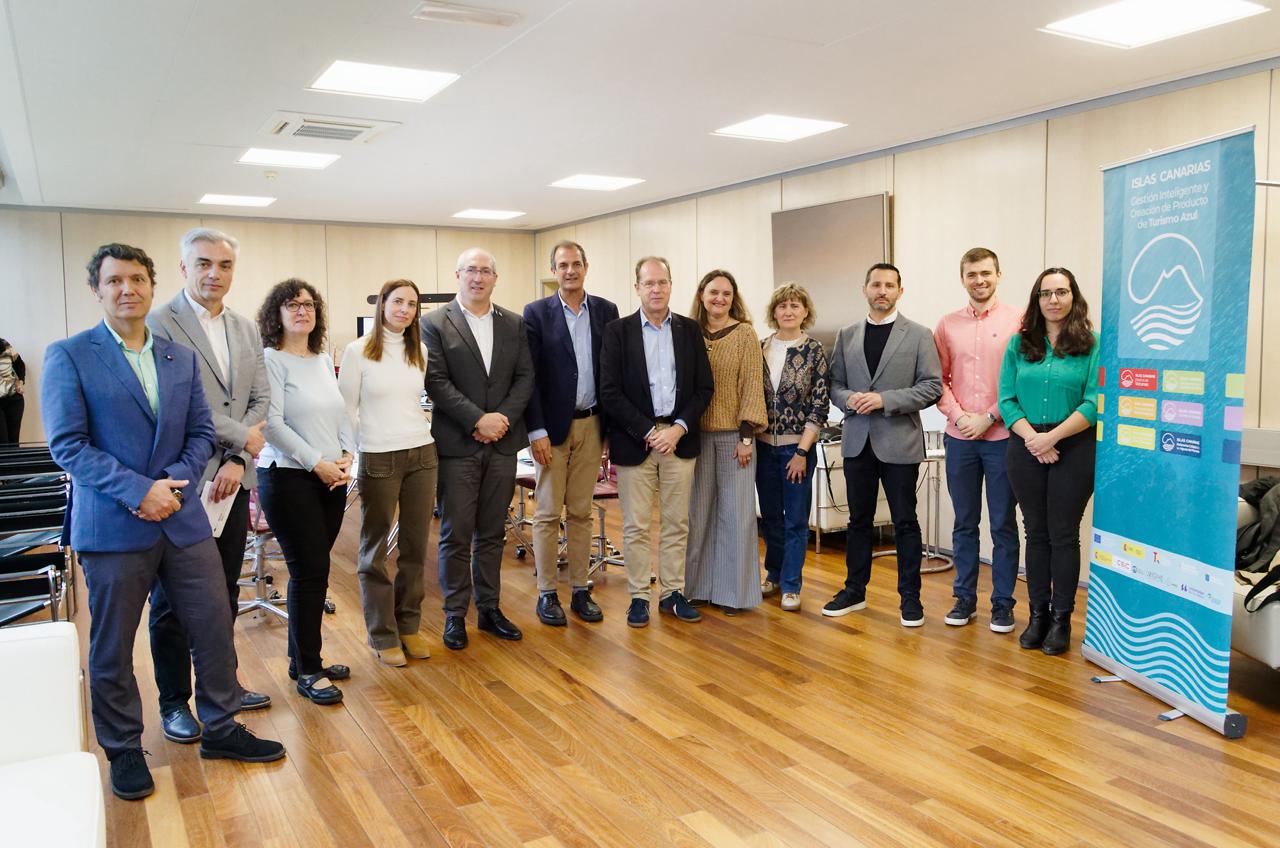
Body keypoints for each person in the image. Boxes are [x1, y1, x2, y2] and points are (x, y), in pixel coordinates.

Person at [42, 243, 284, 801]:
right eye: (114, 281)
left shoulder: (179, 357)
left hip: (181, 517)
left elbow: (200, 432)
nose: (127, 289)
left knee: (214, 623)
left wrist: (171, 484)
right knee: (113, 644)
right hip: (114, 524)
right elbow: (68, 446)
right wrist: (139, 491)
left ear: (152, 286)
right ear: (97, 290)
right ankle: (124, 748)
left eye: (137, 279)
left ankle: (221, 726)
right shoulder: (70, 355)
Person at [146, 227, 271, 746]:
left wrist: (238, 459)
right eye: (203, 263)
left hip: (232, 481)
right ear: (183, 268)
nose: (214, 274)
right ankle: (174, 701)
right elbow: (177, 402)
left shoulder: (244, 327)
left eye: (224, 265)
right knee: (171, 600)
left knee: (222, 591)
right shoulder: (158, 322)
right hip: (181, 481)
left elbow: (261, 398)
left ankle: (223, 687)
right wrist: (241, 439)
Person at [422, 248, 534, 650]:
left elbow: (525, 377)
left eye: (486, 271)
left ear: (495, 278)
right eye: (471, 270)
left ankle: (489, 609)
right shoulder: (434, 323)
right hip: (458, 445)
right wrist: (477, 420)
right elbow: (436, 381)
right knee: (455, 533)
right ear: (458, 275)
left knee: (492, 532)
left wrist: (501, 419)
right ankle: (455, 614)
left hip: (502, 444)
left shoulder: (514, 323)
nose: (478, 277)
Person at [599, 256, 714, 627]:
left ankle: (672, 594)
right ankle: (638, 597)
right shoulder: (618, 331)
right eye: (649, 283)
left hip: (679, 440)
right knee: (635, 526)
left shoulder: (689, 330)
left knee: (676, 523)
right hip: (636, 442)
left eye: (662, 282)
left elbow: (703, 388)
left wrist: (677, 428)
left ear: (671, 286)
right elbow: (610, 391)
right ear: (637, 288)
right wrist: (649, 432)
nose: (656, 289)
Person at [827, 263, 942, 627]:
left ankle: (910, 599)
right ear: (865, 289)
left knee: (905, 522)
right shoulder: (846, 335)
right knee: (858, 521)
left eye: (889, 285)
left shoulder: (919, 335)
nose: (882, 291)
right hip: (857, 442)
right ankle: (854, 591)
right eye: (876, 284)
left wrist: (884, 400)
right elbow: (834, 384)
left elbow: (932, 386)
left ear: (899, 292)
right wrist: (849, 399)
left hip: (899, 443)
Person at [255, 279, 353, 704]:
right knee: (310, 570)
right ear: (276, 314)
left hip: (331, 476)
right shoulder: (270, 360)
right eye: (292, 305)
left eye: (309, 305)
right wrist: (317, 462)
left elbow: (340, 413)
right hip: (288, 477)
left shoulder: (320, 360)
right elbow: (272, 425)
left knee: (314, 571)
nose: (302, 311)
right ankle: (309, 670)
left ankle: (302, 660)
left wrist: (347, 453)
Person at [998, 267, 1099, 656]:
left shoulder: (1091, 344)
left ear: (1074, 297)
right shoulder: (1019, 344)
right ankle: (1037, 615)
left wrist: (1052, 438)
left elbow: (1094, 401)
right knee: (1035, 532)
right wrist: (1034, 439)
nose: (1053, 300)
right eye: (1046, 293)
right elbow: (1007, 399)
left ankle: (1061, 620)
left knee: (1063, 534)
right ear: (1036, 299)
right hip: (1025, 444)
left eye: (1061, 292)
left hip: (1073, 445)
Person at [338, 279, 437, 667]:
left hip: (422, 453)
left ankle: (408, 626)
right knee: (375, 549)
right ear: (382, 304)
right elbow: (346, 410)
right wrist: (352, 452)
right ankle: (382, 633)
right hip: (378, 456)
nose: (405, 310)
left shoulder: (419, 351)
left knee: (415, 548)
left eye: (412, 304)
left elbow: (413, 403)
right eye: (398, 302)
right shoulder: (358, 351)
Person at [523, 240, 619, 626]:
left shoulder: (606, 311)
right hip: (551, 430)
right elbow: (528, 377)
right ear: (554, 271)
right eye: (562, 265)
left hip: (593, 424)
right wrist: (536, 430)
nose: (570, 271)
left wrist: (609, 428)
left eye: (576, 263)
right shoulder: (536, 313)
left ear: (586, 266)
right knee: (548, 512)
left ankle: (581, 588)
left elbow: (612, 371)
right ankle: (547, 593)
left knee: (580, 511)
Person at [934, 247, 1023, 633]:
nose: (979, 280)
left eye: (986, 273)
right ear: (962, 278)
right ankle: (965, 599)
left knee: (1003, 523)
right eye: (972, 274)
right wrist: (960, 417)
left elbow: (1020, 378)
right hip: (960, 439)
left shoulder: (1019, 321)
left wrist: (988, 416)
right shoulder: (946, 325)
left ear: (998, 275)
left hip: (1002, 436)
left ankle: (1002, 604)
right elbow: (939, 380)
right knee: (965, 522)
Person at [684, 269, 767, 614]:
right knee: (699, 515)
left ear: (734, 299)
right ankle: (697, 588)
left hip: (736, 437)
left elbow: (752, 384)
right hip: (695, 437)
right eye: (713, 292)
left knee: (737, 516)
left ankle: (734, 594)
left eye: (726, 294)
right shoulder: (688, 332)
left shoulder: (745, 334)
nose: (719, 298)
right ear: (702, 295)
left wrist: (747, 436)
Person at [757, 283, 829, 612]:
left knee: (796, 520)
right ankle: (773, 574)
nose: (788, 311)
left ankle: (790, 585)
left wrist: (802, 451)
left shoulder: (814, 350)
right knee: (770, 517)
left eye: (795, 306)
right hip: (762, 448)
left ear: (805, 311)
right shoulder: (760, 347)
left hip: (796, 450)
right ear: (774, 312)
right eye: (782, 306)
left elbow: (819, 404)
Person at [0, 336, 25, 443]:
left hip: (14, 399)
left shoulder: (5, 345)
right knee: (3, 443)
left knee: (14, 442)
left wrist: (21, 382)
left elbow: (20, 364)